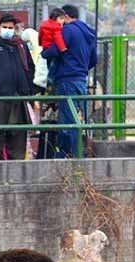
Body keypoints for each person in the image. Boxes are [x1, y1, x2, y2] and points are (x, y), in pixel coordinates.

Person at [41, 4, 97, 158]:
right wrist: (81, 67)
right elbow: (94, 59)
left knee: (67, 119)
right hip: (81, 79)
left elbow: (56, 49)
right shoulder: (89, 33)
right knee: (79, 117)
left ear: (65, 17)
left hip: (67, 79)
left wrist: (44, 53)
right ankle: (79, 151)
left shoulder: (67, 30)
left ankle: (66, 154)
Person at [0, 13, 35, 160]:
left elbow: (30, 67)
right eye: (5, 27)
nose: (7, 30)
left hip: (19, 96)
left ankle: (15, 166)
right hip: (0, 97)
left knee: (18, 135)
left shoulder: (21, 46)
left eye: (10, 27)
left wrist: (28, 88)